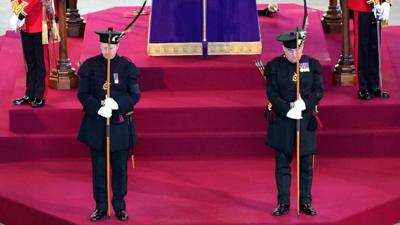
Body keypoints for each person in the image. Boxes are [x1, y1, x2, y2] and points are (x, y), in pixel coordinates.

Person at [77, 28, 141, 222]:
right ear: (100, 45)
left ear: (118, 46)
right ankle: (101, 206)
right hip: (97, 126)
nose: (108, 51)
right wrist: (97, 108)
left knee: (120, 169)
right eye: (105, 47)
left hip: (119, 128)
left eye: (112, 47)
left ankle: (119, 205)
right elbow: (83, 94)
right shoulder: (89, 66)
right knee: (99, 169)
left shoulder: (127, 67)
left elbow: (135, 95)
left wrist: (118, 105)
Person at [264, 29, 324, 216]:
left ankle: (305, 201)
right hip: (283, 120)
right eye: (289, 51)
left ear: (302, 47)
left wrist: (304, 104)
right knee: (282, 164)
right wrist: (288, 109)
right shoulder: (273, 66)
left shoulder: (312, 64)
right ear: (283, 48)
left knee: (306, 164)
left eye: (297, 50)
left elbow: (319, 90)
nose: (294, 54)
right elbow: (272, 93)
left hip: (304, 120)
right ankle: (283, 203)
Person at [348, 0, 392, 100]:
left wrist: (386, 2)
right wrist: (375, 2)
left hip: (378, 5)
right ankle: (363, 87)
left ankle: (374, 84)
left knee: (375, 44)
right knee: (362, 45)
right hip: (362, 5)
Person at [10, 0, 49, 107]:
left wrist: (22, 13)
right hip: (24, 24)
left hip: (38, 22)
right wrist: (16, 9)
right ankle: (30, 94)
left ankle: (40, 95)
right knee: (29, 62)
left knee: (40, 62)